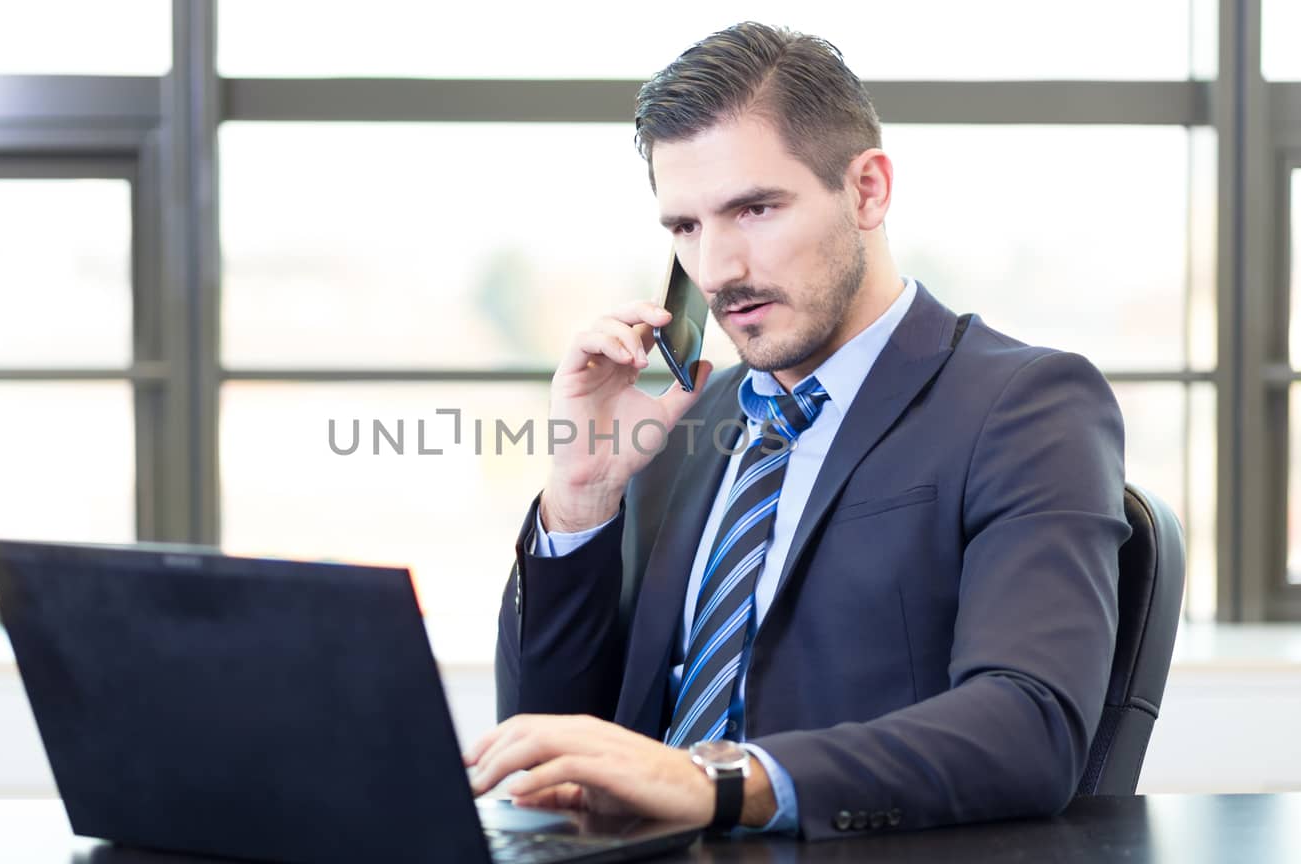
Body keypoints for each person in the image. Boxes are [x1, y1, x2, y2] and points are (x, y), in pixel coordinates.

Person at [463, 22, 1129, 839]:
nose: (717, 271)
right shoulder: (682, 424)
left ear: (868, 191)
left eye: (755, 208)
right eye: (686, 228)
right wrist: (582, 499)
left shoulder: (1025, 404)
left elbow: (1028, 727)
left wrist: (715, 780)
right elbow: (546, 751)